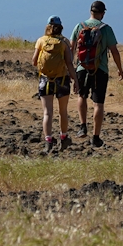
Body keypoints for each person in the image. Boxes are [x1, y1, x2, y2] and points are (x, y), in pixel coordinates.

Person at [71, 0, 123, 149]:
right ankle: (96, 137)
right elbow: (114, 51)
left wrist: (70, 68)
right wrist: (120, 68)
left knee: (82, 96)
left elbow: (71, 47)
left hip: (82, 68)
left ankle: (82, 126)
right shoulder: (106, 29)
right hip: (100, 69)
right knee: (98, 103)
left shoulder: (79, 26)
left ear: (90, 11)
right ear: (102, 13)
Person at [32, 15, 79, 154]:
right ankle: (63, 137)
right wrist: (75, 79)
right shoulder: (64, 42)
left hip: (45, 80)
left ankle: (48, 141)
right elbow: (69, 63)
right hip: (62, 79)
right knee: (63, 111)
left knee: (48, 113)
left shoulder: (41, 41)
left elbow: (34, 61)